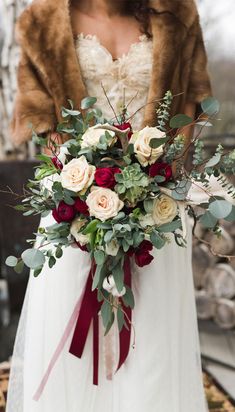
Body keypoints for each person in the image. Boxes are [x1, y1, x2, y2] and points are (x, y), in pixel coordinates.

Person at [7, 1, 212, 411]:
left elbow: (191, 109)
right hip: (74, 212)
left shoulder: (177, 13)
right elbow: (40, 124)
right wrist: (85, 195)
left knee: (152, 351)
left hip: (158, 215)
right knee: (69, 356)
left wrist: (151, 186)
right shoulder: (39, 21)